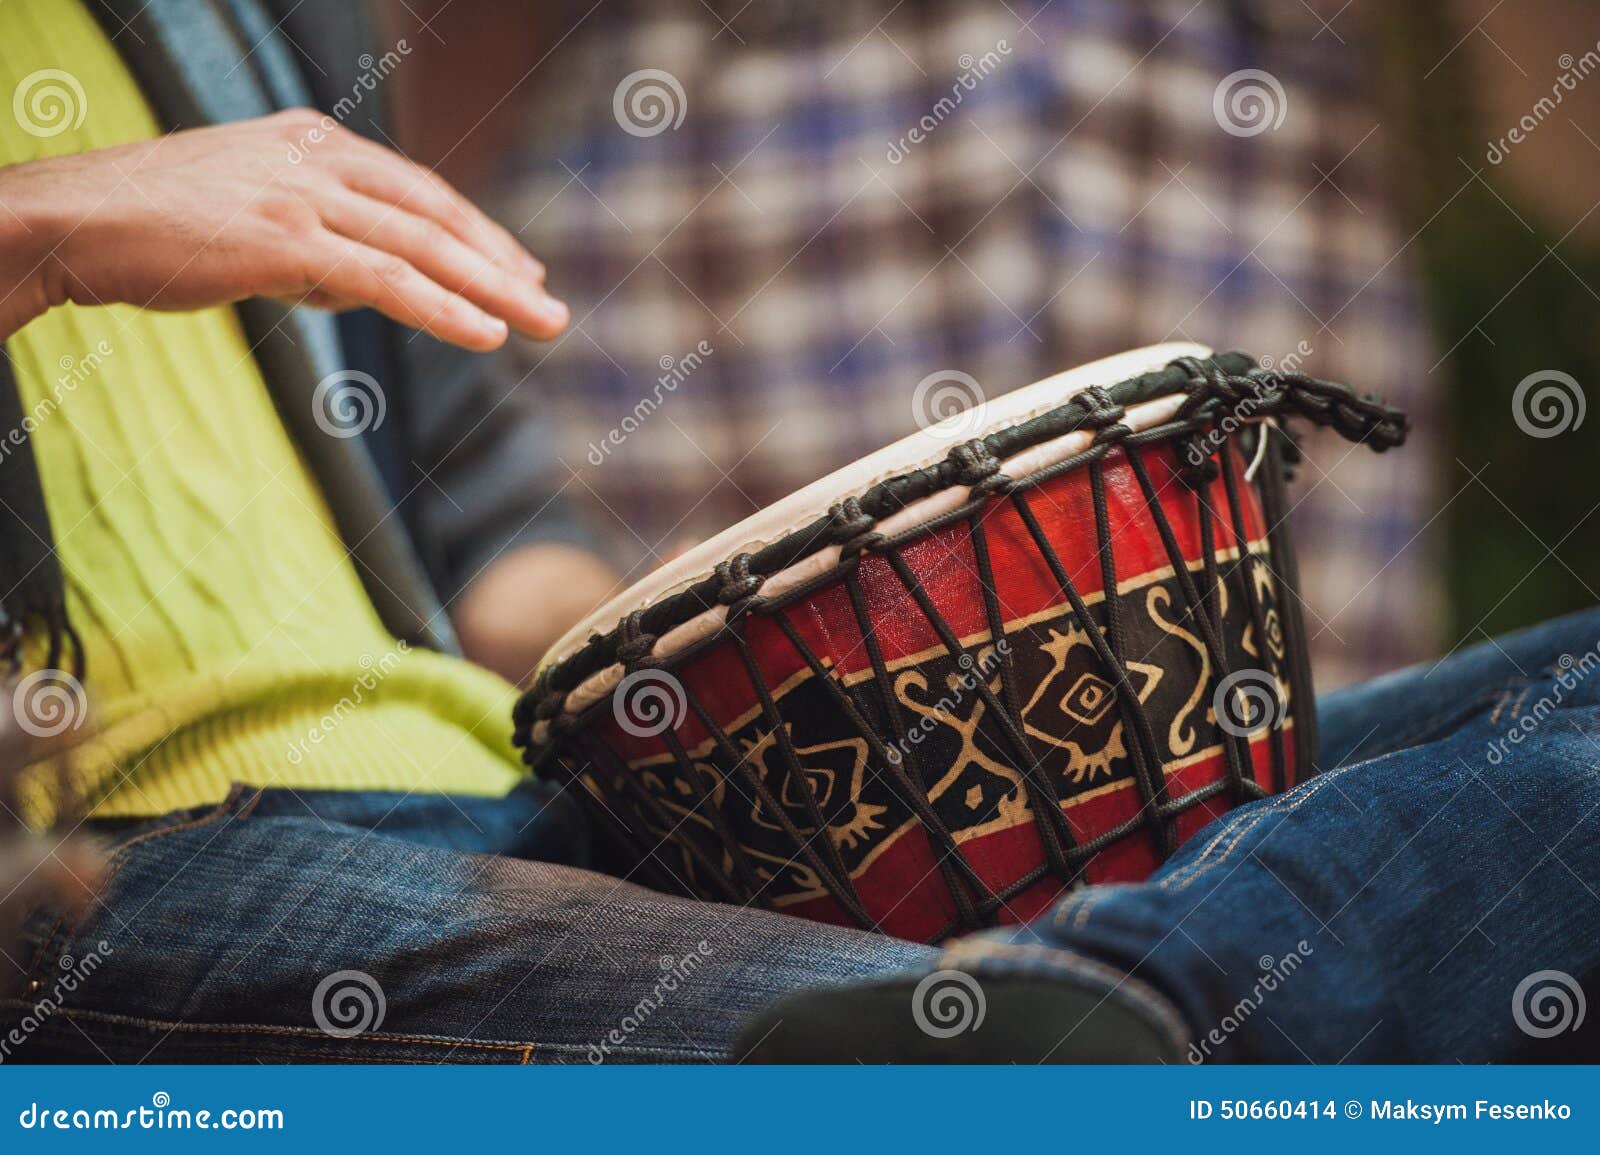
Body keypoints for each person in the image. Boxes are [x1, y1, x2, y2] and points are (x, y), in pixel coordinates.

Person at [0, 0, 1591, 1067]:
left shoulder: (248, 27)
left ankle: (1120, 994)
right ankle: (1092, 1017)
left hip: (491, 809)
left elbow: (485, 522)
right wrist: (44, 220)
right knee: (993, 1028)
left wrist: (760, 697)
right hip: (125, 874)